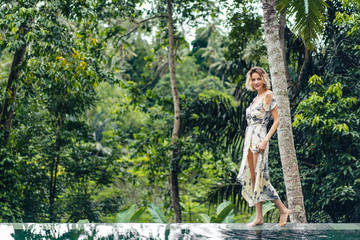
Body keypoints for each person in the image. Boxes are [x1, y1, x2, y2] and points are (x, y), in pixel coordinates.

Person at [237, 67, 291, 227]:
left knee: (261, 176)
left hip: (260, 137)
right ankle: (259, 217)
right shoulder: (256, 98)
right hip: (250, 138)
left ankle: (283, 209)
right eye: (253, 79)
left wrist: (265, 140)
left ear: (263, 79)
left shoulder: (268, 95)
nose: (256, 82)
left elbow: (277, 120)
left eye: (258, 79)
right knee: (253, 177)